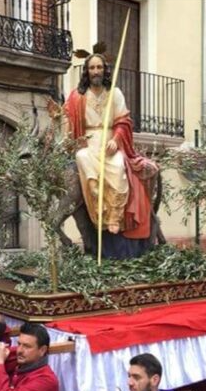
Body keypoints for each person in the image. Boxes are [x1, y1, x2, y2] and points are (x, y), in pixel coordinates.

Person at [64, 53, 156, 259]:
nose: (95, 71)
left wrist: (116, 139)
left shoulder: (115, 93)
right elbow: (67, 117)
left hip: (110, 143)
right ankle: (95, 193)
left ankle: (114, 216)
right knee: (81, 156)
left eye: (99, 67)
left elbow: (123, 121)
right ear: (87, 72)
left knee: (118, 167)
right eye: (92, 68)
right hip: (89, 142)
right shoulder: (78, 96)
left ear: (105, 70)